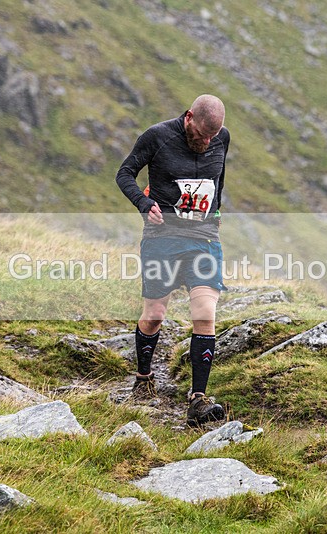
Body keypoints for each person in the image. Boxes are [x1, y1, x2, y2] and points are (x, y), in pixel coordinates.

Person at [116, 94, 230, 427]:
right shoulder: (158, 137)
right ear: (189, 116)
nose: (206, 142)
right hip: (162, 238)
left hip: (204, 238)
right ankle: (144, 377)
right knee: (154, 315)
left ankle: (198, 400)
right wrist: (142, 203)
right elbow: (124, 174)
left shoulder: (220, 138)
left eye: (212, 137)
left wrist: (216, 211)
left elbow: (217, 178)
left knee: (205, 313)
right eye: (200, 134)